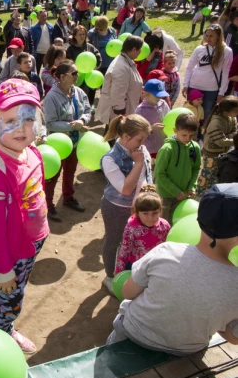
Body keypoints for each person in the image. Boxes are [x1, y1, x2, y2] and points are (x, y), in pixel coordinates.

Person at [106, 183, 238, 355]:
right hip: (186, 351)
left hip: (132, 334)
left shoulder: (165, 250)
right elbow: (233, 337)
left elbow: (128, 292)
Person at [0, 79, 48, 353]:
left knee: (10, 293)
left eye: (29, 119)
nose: (21, 127)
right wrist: (3, 271)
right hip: (8, 255)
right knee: (11, 301)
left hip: (28, 246)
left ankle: (5, 324)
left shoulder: (32, 153)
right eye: (9, 119)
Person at [100, 115, 152, 292]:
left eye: (144, 139)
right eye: (140, 139)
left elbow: (146, 176)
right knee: (113, 241)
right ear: (127, 137)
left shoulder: (141, 149)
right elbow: (126, 189)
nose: (143, 143)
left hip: (138, 207)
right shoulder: (109, 159)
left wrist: (146, 194)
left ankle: (127, 273)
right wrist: (137, 163)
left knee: (131, 242)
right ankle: (109, 277)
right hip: (116, 208)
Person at [43, 61, 92, 222]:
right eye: (75, 73)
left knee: (70, 171)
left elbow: (87, 109)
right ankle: (48, 205)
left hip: (75, 142)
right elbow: (50, 122)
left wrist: (83, 121)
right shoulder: (51, 97)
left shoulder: (78, 92)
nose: (78, 76)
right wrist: (73, 126)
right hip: (58, 144)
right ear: (62, 77)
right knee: (53, 175)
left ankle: (68, 198)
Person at [114, 185, 171, 276]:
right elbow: (125, 250)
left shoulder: (164, 225)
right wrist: (119, 271)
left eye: (154, 213)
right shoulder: (131, 228)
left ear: (160, 211)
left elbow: (169, 246)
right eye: (145, 213)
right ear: (136, 212)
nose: (150, 218)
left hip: (156, 266)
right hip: (135, 267)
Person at [154, 113, 201, 221]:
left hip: (184, 195)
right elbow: (159, 173)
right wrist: (175, 191)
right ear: (175, 130)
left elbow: (196, 168)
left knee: (177, 222)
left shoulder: (195, 148)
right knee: (163, 223)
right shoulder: (167, 149)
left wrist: (191, 187)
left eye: (191, 136)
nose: (188, 138)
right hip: (165, 196)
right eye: (184, 135)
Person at [183, 24, 233, 122]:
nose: (208, 38)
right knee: (190, 114)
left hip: (211, 89)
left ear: (218, 36)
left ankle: (201, 136)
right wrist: (186, 84)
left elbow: (226, 73)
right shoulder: (199, 49)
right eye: (206, 35)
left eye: (211, 36)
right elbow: (189, 68)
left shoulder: (226, 51)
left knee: (206, 115)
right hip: (194, 85)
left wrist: (221, 92)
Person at [97, 36, 144, 125]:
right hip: (119, 113)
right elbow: (118, 92)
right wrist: (120, 113)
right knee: (114, 137)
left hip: (124, 110)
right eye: (140, 49)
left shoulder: (125, 60)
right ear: (134, 49)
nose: (141, 51)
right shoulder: (121, 66)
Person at [197, 95, 238, 196]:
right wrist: (234, 139)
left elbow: (234, 132)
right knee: (207, 175)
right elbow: (221, 141)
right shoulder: (215, 122)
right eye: (236, 111)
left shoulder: (232, 119)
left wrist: (229, 137)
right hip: (211, 154)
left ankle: (212, 195)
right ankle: (200, 195)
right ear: (226, 112)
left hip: (223, 152)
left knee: (217, 175)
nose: (237, 113)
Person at [135, 79, 170, 159]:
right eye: (156, 95)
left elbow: (169, 117)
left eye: (161, 95)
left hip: (163, 143)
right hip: (149, 148)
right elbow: (138, 130)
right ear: (146, 94)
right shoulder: (140, 110)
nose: (159, 97)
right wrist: (151, 128)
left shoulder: (163, 104)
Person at [67, 25, 102, 104]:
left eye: (83, 34)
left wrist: (96, 66)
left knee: (90, 91)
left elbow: (98, 57)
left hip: (90, 76)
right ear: (75, 36)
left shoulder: (90, 47)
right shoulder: (70, 49)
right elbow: (68, 62)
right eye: (79, 34)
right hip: (77, 77)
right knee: (77, 94)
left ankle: (90, 106)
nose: (82, 36)